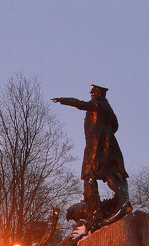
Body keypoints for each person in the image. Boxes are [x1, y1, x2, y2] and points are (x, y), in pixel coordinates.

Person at [52, 85, 130, 224]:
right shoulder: (108, 107)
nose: (91, 94)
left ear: (98, 93)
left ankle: (94, 211)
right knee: (107, 173)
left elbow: (80, 104)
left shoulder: (97, 104)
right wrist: (106, 131)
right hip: (108, 143)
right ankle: (110, 203)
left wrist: (63, 100)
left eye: (93, 92)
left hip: (96, 145)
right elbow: (115, 125)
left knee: (89, 174)